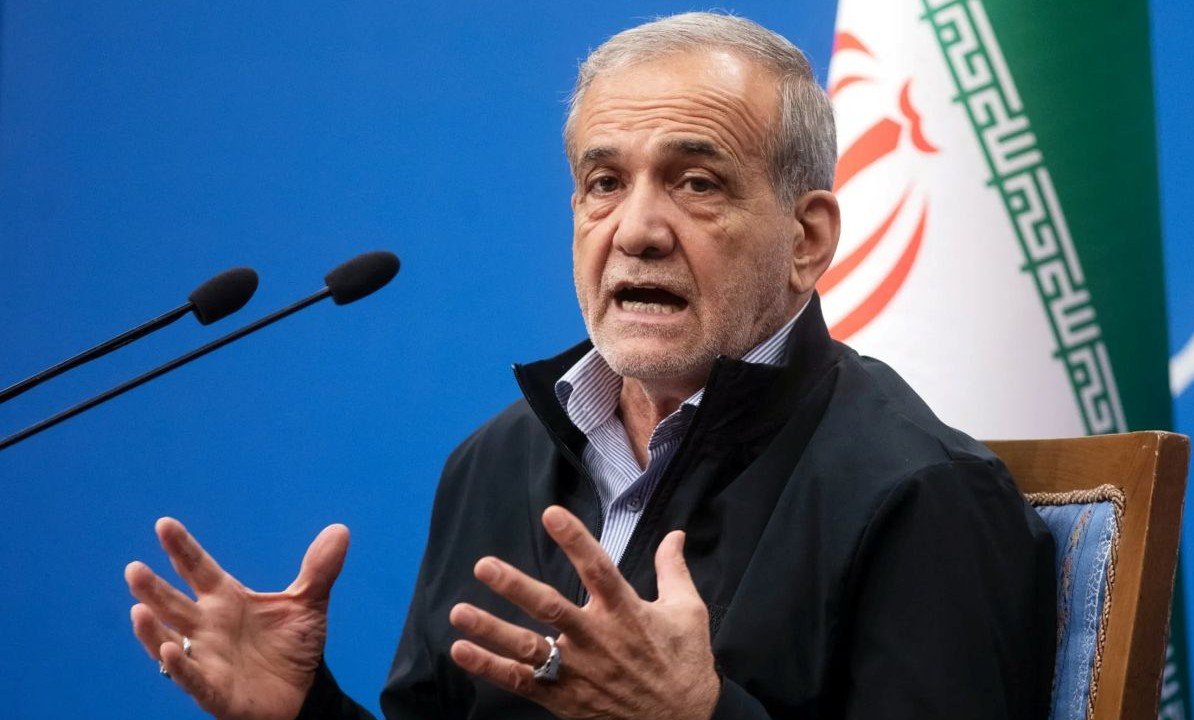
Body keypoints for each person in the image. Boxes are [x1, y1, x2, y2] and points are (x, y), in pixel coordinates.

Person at [125, 12, 1055, 720]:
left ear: (806, 240)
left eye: (696, 183)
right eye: (605, 183)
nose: (637, 230)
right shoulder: (495, 461)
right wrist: (304, 713)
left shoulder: (921, 492)